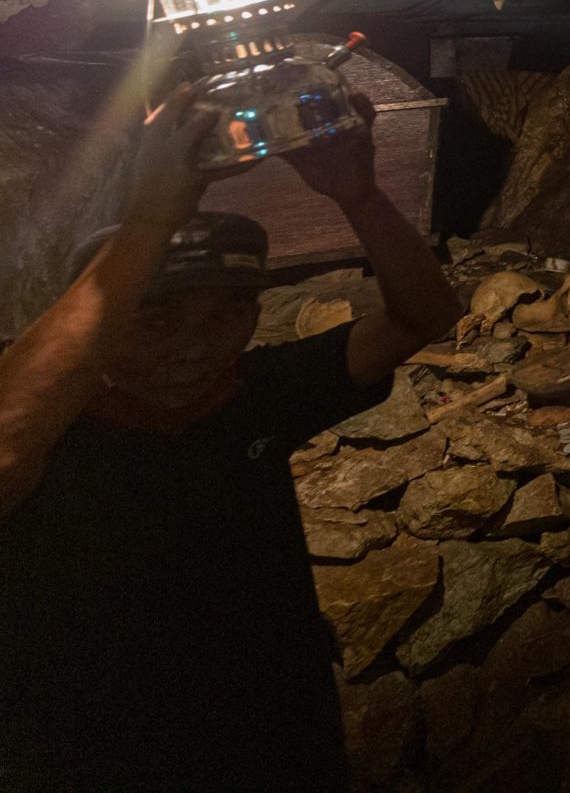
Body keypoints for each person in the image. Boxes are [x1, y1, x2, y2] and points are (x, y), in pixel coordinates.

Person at [0, 84, 465, 792]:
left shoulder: (253, 394)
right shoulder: (54, 437)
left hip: (276, 741)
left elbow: (421, 317)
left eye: (228, 314)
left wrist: (359, 196)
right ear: (95, 338)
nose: (195, 345)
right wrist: (154, 214)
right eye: (156, 320)